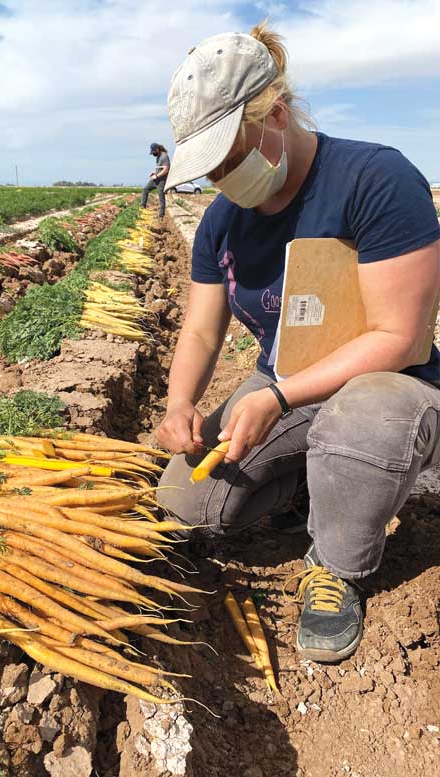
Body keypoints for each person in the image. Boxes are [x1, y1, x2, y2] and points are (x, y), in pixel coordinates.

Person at [155, 22, 440, 663]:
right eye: (213, 169)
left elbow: (399, 337)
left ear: (276, 114)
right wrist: (179, 404)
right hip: (287, 378)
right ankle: (323, 482)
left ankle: (338, 564)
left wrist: (279, 399)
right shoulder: (223, 222)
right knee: (187, 501)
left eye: (231, 157)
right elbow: (203, 328)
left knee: (364, 415)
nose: (225, 179)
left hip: (391, 385)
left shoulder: (376, 179)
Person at [141, 142, 170, 218]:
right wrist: (154, 172)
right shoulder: (158, 157)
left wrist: (157, 176)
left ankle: (161, 216)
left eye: (154, 152)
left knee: (161, 198)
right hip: (156, 178)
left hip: (161, 180)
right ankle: (142, 207)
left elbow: (166, 169)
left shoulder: (164, 156)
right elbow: (160, 168)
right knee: (145, 189)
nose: (153, 154)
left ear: (157, 149)